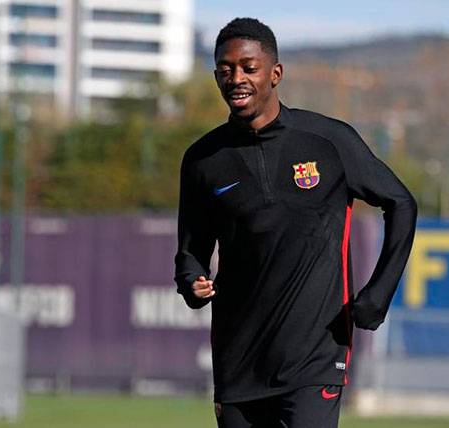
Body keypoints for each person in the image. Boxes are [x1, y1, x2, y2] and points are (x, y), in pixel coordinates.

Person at [174, 17, 417, 428]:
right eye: (225, 69)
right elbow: (190, 252)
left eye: (248, 68)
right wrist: (191, 282)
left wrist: (379, 292)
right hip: (239, 360)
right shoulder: (203, 160)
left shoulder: (328, 141)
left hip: (315, 355)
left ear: (275, 73)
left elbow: (401, 204)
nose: (236, 78)